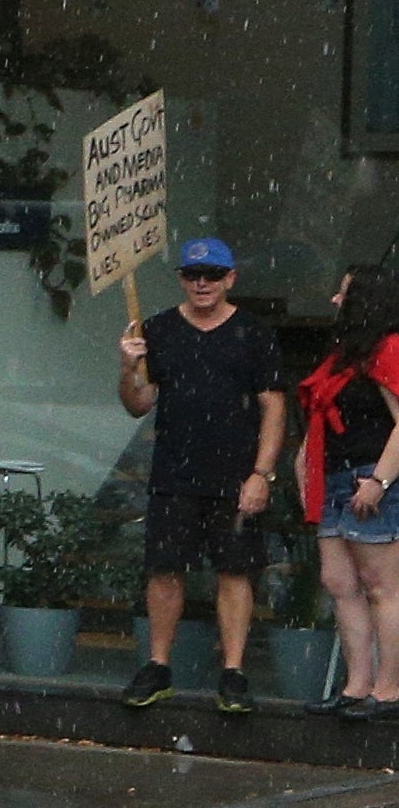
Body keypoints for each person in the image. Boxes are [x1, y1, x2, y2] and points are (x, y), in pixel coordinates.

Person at [116, 237, 287, 713]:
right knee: (164, 569)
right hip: (174, 472)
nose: (202, 283)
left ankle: (232, 671)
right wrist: (128, 366)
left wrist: (262, 474)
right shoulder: (159, 330)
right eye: (193, 275)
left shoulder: (253, 333)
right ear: (182, 280)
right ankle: (158, 665)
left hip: (235, 476)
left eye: (212, 275)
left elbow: (274, 406)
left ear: (230, 279)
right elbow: (138, 404)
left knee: (235, 572)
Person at [300, 257, 399, 720]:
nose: (336, 299)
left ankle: (388, 688)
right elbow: (319, 417)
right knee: (339, 582)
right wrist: (306, 473)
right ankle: (356, 684)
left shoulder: (388, 349)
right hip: (335, 476)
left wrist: (380, 480)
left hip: (372, 475)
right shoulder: (345, 355)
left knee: (382, 586)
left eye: (344, 292)